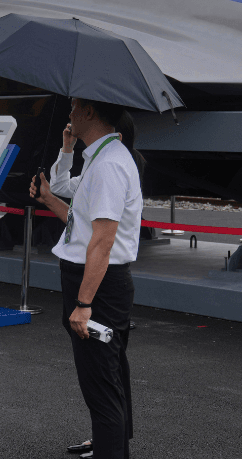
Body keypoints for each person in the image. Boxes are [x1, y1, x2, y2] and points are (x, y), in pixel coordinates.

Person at [30, 98, 143, 459]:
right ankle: (112, 444)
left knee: (100, 385)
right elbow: (82, 222)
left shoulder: (108, 164)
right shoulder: (102, 157)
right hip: (103, 282)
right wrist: (49, 198)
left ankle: (111, 448)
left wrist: (83, 304)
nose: (70, 113)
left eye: (75, 106)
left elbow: (103, 240)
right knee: (110, 375)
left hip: (98, 286)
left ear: (90, 113)